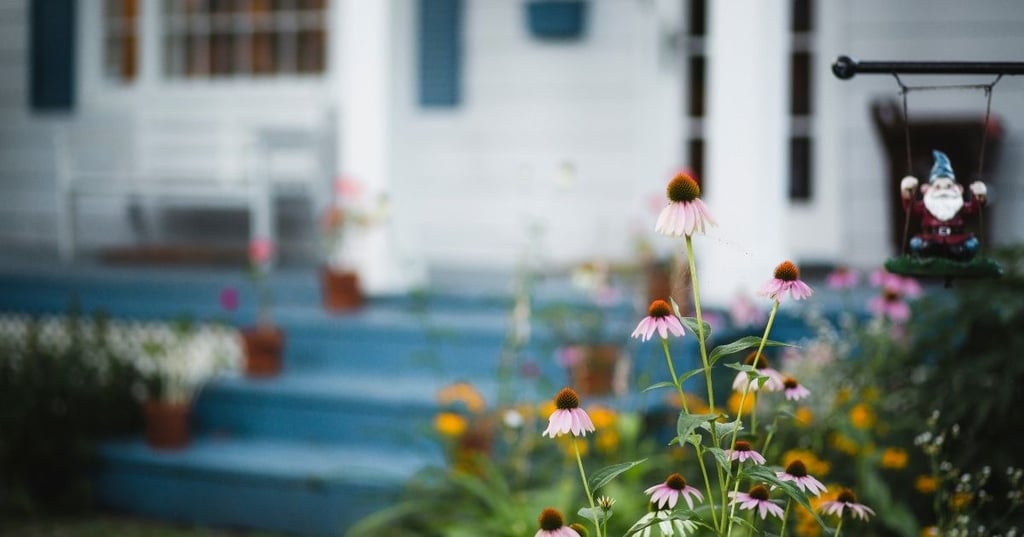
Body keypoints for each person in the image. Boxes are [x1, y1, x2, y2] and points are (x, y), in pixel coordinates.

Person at [900, 150, 987, 261]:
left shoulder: (959, 207)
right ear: (925, 189)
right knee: (918, 243)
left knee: (970, 244)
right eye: (938, 187)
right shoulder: (926, 206)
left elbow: (974, 209)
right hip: (931, 239)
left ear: (959, 189)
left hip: (957, 239)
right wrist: (907, 192)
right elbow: (911, 209)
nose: (944, 190)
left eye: (949, 186)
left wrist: (979, 196)